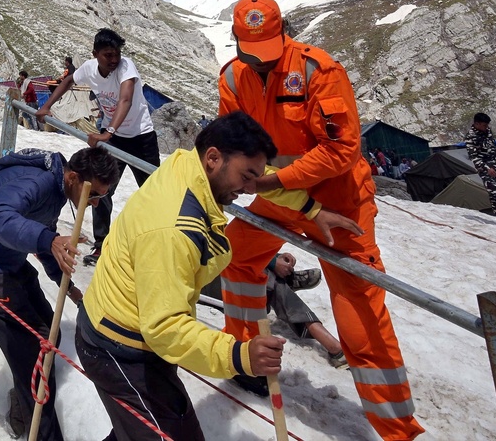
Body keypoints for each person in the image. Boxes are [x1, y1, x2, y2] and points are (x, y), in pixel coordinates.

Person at [218, 0, 424, 440]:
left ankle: (398, 430)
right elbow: (231, 138)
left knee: (359, 312)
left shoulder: (318, 70)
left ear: (285, 31)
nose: (261, 65)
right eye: (252, 55)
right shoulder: (232, 78)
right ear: (235, 40)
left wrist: (274, 182)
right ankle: (246, 359)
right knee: (236, 257)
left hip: (338, 203)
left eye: (268, 55)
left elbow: (341, 148)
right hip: (282, 197)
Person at [77, 112, 341, 440]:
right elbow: (165, 327)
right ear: (213, 157)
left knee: (138, 430)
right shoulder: (174, 229)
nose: (249, 189)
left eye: (253, 178)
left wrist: (311, 209)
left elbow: (263, 177)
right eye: (246, 177)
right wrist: (239, 355)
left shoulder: (189, 164)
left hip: (133, 329)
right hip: (119, 345)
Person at [0, 146, 120, 440]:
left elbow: (44, 240)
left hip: (7, 256)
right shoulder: (37, 183)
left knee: (48, 334)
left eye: (101, 198)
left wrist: (65, 284)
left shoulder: (57, 190)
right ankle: (41, 432)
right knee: (33, 347)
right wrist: (50, 239)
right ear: (73, 177)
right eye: (93, 195)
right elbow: (0, 218)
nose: (94, 204)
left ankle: (24, 408)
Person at [36, 28, 160, 267]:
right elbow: (69, 80)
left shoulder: (126, 67)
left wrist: (107, 132)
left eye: (117, 55)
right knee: (101, 191)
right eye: (108, 55)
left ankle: (154, 246)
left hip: (141, 137)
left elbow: (125, 99)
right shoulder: (89, 69)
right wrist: (47, 106)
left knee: (153, 191)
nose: (114, 60)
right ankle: (102, 244)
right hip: (113, 137)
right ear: (95, 54)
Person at [205, 252, 347, 369]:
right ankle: (286, 280)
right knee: (251, 268)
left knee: (255, 267)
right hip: (209, 284)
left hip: (222, 275)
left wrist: (274, 257)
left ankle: (281, 277)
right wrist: (272, 262)